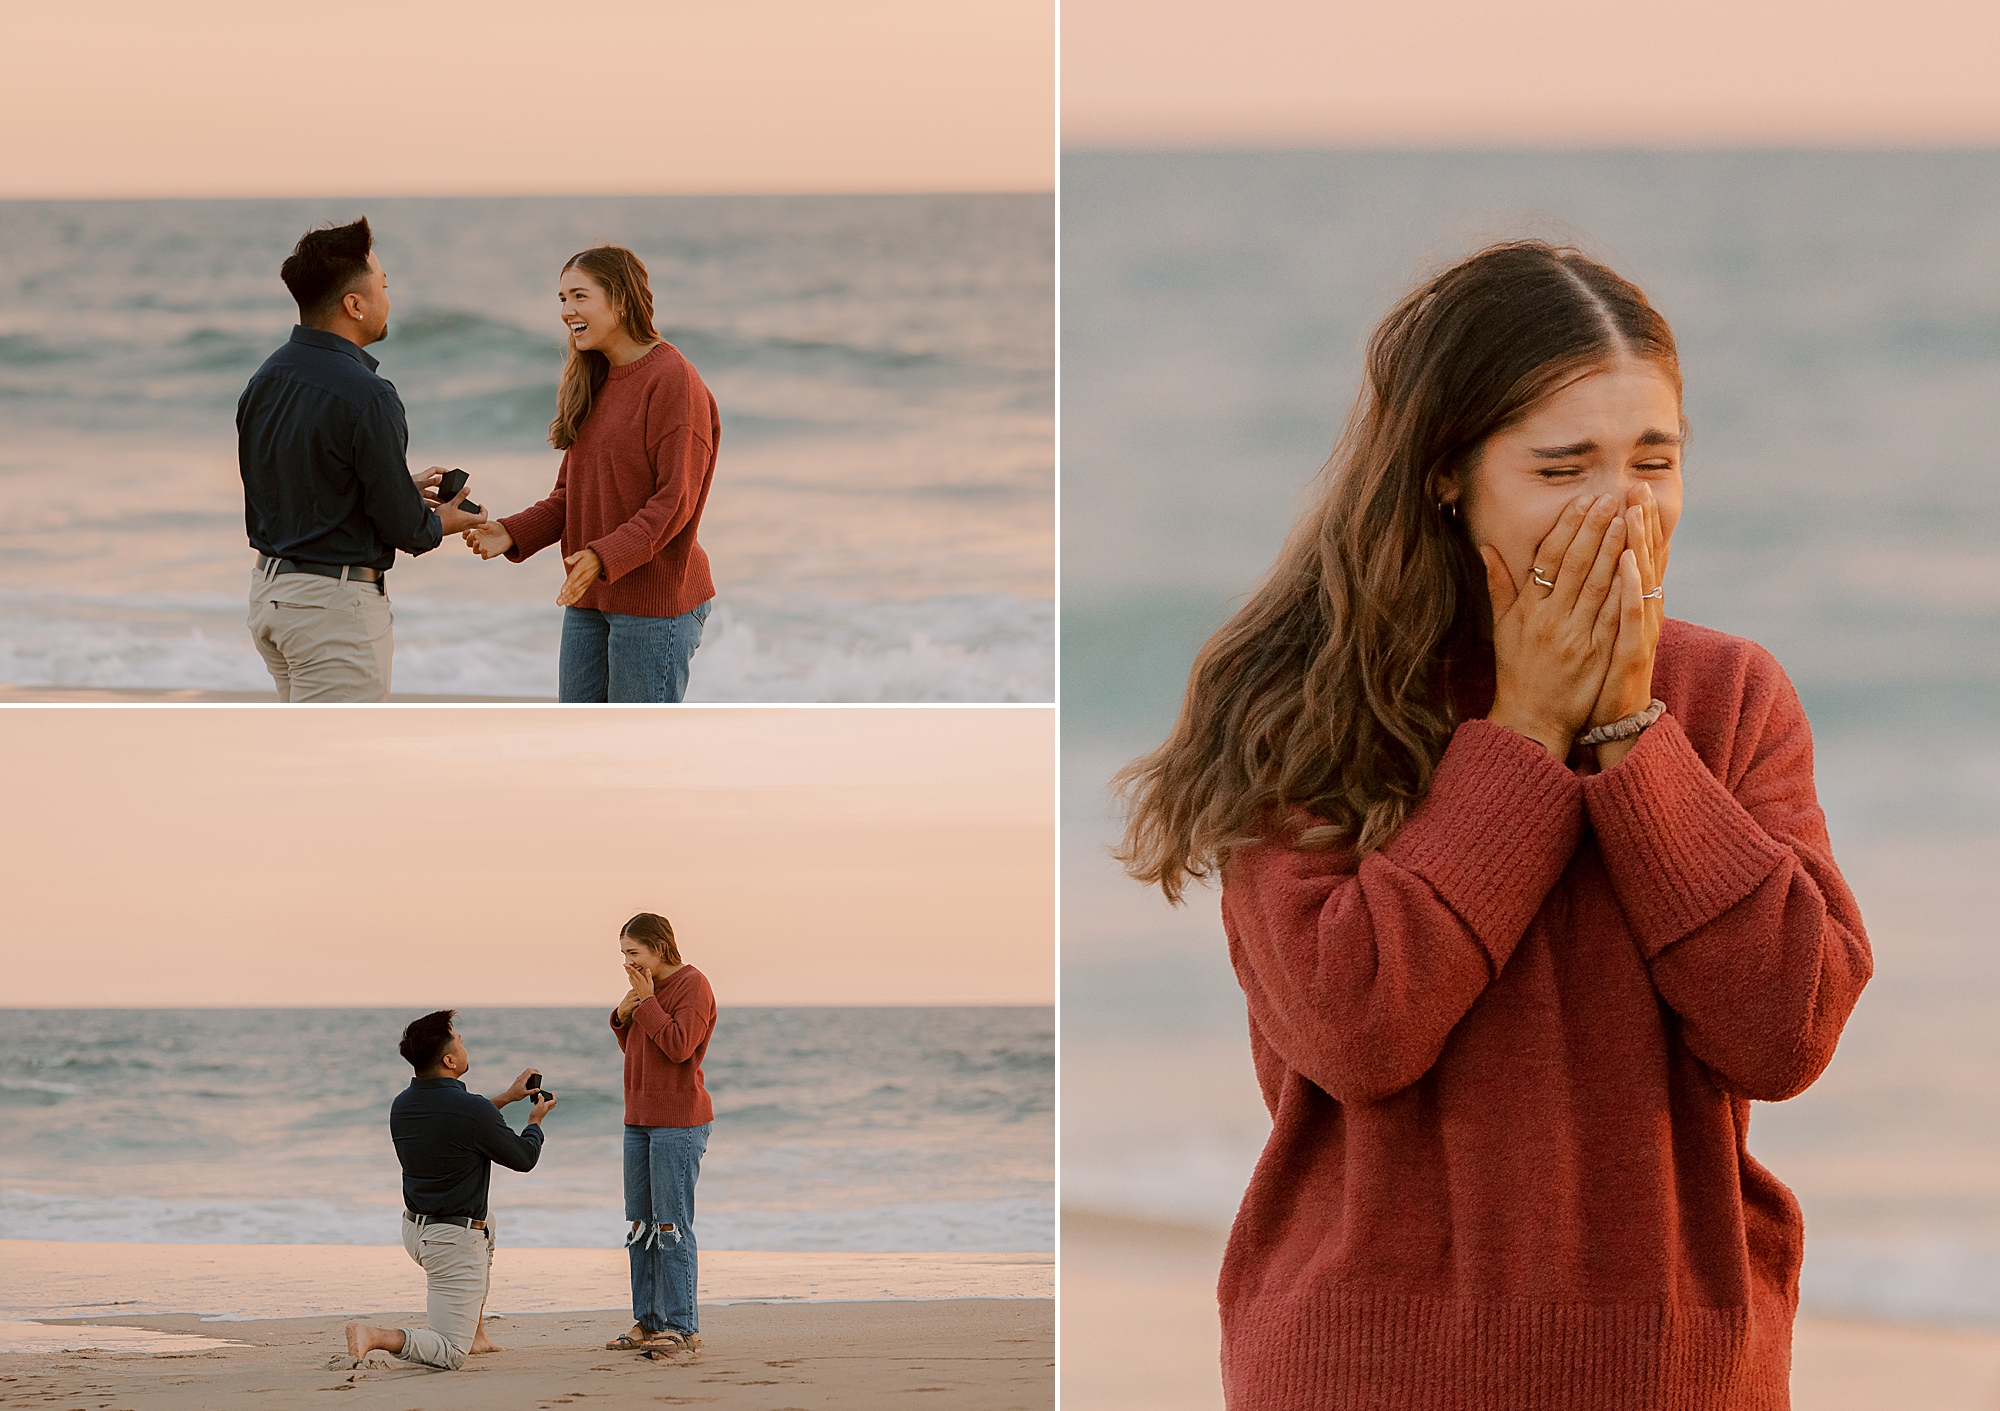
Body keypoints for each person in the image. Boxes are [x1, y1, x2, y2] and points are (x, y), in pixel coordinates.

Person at [1114, 241, 1873, 1409]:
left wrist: (1630, 735)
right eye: (1562, 467)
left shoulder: (1729, 698)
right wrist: (1520, 733)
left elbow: (1787, 1032)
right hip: (1366, 1368)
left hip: (1676, 1370)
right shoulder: (1300, 701)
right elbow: (1355, 1025)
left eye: (1653, 461)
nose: (1620, 509)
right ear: (1446, 474)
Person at [238, 217, 486, 701]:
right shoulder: (368, 395)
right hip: (332, 611)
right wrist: (443, 522)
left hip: (270, 597)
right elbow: (406, 529)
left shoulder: (264, 379)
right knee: (340, 764)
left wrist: (394, 481)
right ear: (354, 305)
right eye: (383, 286)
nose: (388, 299)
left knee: (308, 760)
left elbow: (292, 487)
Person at [462, 246, 720, 703]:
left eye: (579, 296)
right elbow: (571, 494)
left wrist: (602, 556)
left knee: (633, 756)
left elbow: (674, 502)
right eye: (561, 299)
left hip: (654, 605)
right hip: (590, 601)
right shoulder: (595, 378)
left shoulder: (672, 380)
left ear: (619, 299)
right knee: (581, 747)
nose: (566, 312)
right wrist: (510, 532)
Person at [343, 1010, 556, 1371]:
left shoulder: (403, 1104)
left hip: (415, 1229)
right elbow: (523, 1158)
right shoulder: (471, 1111)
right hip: (450, 1242)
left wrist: (505, 1097)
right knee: (449, 1352)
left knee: (487, 1223)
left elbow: (460, 1121)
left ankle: (477, 1335)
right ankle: (375, 1335)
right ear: (449, 1060)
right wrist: (534, 1122)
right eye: (460, 1042)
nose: (464, 1046)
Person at [604, 912, 717, 1354]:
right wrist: (622, 1015)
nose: (628, 962)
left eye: (634, 953)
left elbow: (678, 1046)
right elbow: (640, 1048)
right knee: (641, 1227)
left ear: (660, 947)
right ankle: (648, 1321)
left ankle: (684, 1327)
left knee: (671, 1226)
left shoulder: (693, 984)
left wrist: (646, 1003)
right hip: (639, 1119)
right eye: (623, 955)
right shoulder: (643, 990)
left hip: (679, 1121)